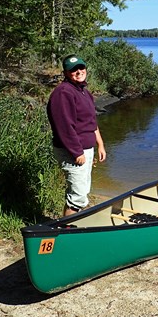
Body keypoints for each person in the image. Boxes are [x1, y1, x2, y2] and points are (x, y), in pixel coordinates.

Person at [47, 54, 107, 216]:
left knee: (83, 190)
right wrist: (77, 152)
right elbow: (64, 127)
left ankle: (77, 226)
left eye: (81, 68)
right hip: (72, 151)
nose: (79, 71)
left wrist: (99, 144)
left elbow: (91, 121)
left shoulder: (83, 92)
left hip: (85, 149)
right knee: (77, 196)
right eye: (73, 70)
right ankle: (67, 233)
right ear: (66, 73)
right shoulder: (63, 93)